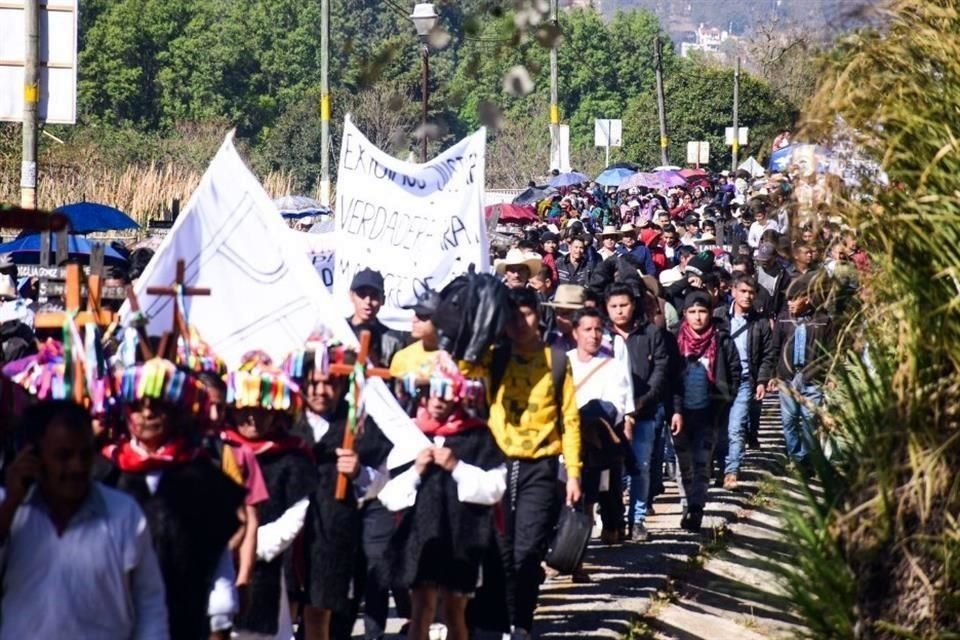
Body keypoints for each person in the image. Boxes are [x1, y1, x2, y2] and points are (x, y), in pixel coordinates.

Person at [462, 286, 581, 638]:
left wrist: (573, 473)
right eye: (512, 315)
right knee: (499, 549)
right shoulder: (494, 357)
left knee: (528, 551)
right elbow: (464, 372)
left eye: (526, 313)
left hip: (540, 467)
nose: (519, 322)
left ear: (538, 316)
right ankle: (500, 620)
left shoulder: (557, 361)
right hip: (498, 463)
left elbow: (570, 420)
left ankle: (522, 622)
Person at [102, 357, 246, 639]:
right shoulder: (104, 472)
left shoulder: (203, 476)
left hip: (184, 617)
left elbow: (217, 554)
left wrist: (221, 611)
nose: (147, 414)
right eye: (138, 405)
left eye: (158, 405)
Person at [0, 400, 169, 640]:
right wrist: (10, 505)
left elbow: (149, 604)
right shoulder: (9, 511)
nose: (77, 467)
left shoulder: (124, 514)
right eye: (64, 456)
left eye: (85, 454)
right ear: (34, 456)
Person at [379, 354, 506, 640]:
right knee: (421, 609)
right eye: (430, 394)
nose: (437, 401)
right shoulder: (409, 437)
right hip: (420, 538)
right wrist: (416, 470)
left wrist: (456, 467)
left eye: (445, 394)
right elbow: (388, 494)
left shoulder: (477, 436)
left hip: (463, 537)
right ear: (422, 396)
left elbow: (495, 487)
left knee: (454, 610)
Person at [223, 354, 320, 640]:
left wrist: (257, 546)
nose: (253, 416)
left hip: (270, 564)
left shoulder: (292, 455)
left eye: (262, 408)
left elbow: (300, 511)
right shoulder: (216, 450)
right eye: (246, 407)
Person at [606, 283, 676, 542]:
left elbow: (660, 372)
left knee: (641, 466)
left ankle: (637, 520)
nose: (619, 311)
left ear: (633, 305)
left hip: (644, 412)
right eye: (613, 306)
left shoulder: (651, 333)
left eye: (623, 305)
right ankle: (612, 519)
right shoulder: (602, 335)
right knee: (613, 471)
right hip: (610, 417)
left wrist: (641, 402)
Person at [567, 307, 634, 546]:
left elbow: (616, 404)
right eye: (587, 329)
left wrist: (588, 417)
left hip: (601, 439)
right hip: (569, 438)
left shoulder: (612, 367)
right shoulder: (565, 363)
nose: (594, 335)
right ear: (575, 332)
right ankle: (575, 548)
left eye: (598, 329)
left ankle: (611, 525)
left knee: (604, 489)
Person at [675, 291, 741, 531]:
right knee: (684, 465)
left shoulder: (722, 340)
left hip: (710, 413)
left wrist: (726, 400)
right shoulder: (675, 340)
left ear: (710, 313)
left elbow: (735, 372)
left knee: (702, 463)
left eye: (702, 311)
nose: (697, 317)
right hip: (680, 414)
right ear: (685, 314)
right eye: (692, 312)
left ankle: (696, 508)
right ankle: (686, 502)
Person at [713, 274, 776, 488]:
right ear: (733, 291)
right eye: (743, 291)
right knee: (719, 429)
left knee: (737, 426)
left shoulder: (760, 323)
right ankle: (721, 466)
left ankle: (732, 470)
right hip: (720, 380)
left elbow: (768, 353)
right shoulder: (719, 317)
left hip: (745, 380)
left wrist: (762, 379)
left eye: (751, 293)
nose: (747, 296)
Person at [771, 273, 834, 474]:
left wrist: (830, 375)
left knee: (809, 421)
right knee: (789, 421)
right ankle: (797, 457)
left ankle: (807, 457)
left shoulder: (823, 321)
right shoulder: (783, 320)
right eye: (788, 299)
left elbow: (831, 351)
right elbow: (775, 348)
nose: (790, 303)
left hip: (812, 377)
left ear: (806, 298)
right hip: (787, 378)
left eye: (794, 299)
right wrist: (772, 375)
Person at [346, 268, 407, 367]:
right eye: (362, 294)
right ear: (351, 296)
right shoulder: (338, 331)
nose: (368, 301)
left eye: (374, 296)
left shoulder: (394, 341)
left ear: (382, 300)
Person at [543, 284, 586, 351]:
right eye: (556, 312)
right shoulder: (550, 340)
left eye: (565, 313)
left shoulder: (595, 342)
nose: (558, 318)